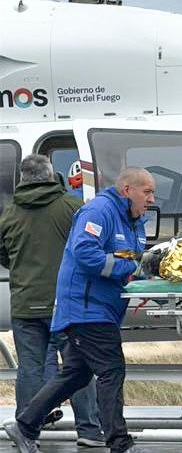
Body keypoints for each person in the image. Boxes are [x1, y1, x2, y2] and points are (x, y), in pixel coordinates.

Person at [3, 166, 156, 453]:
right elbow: (86, 253)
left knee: (76, 374)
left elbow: (130, 259)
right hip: (86, 309)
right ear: (127, 190)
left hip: (99, 309)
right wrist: (130, 269)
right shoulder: (99, 211)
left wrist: (147, 274)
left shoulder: (132, 220)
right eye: (147, 192)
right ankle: (119, 442)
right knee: (111, 370)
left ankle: (24, 426)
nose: (151, 199)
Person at [0, 154, 104, 447]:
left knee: (29, 369)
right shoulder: (71, 207)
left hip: (25, 304)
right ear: (51, 175)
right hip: (66, 304)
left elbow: (3, 255)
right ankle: (89, 431)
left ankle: (27, 431)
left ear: (23, 178)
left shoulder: (9, 213)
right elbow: (89, 247)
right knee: (77, 367)